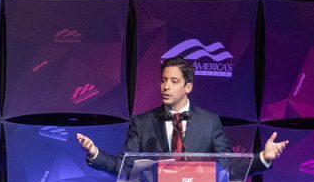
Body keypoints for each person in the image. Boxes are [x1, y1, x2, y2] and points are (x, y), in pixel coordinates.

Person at [75, 57, 286, 174]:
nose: (166, 86)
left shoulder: (209, 122)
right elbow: (126, 167)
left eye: (174, 81)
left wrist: (263, 158)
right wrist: (95, 153)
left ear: (188, 87)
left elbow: (226, 168)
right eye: (163, 80)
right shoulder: (142, 123)